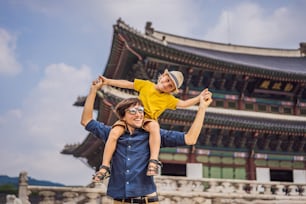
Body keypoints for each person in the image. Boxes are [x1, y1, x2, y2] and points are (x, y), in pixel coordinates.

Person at [81, 76, 212, 203]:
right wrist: (94, 90)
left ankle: (153, 161)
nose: (138, 115)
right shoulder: (112, 133)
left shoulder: (154, 135)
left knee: (154, 126)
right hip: (120, 200)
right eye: (132, 111)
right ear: (123, 116)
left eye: (140, 111)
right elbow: (86, 120)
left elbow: (190, 139)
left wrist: (201, 107)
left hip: (148, 200)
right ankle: (104, 167)